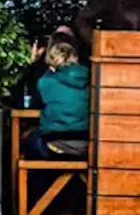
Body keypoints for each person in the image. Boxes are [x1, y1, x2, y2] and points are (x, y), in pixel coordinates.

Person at [23, 29, 90, 160]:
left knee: (30, 141)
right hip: (87, 147)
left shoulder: (46, 82)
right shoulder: (91, 79)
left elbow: (34, 105)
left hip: (54, 145)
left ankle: (36, 181)